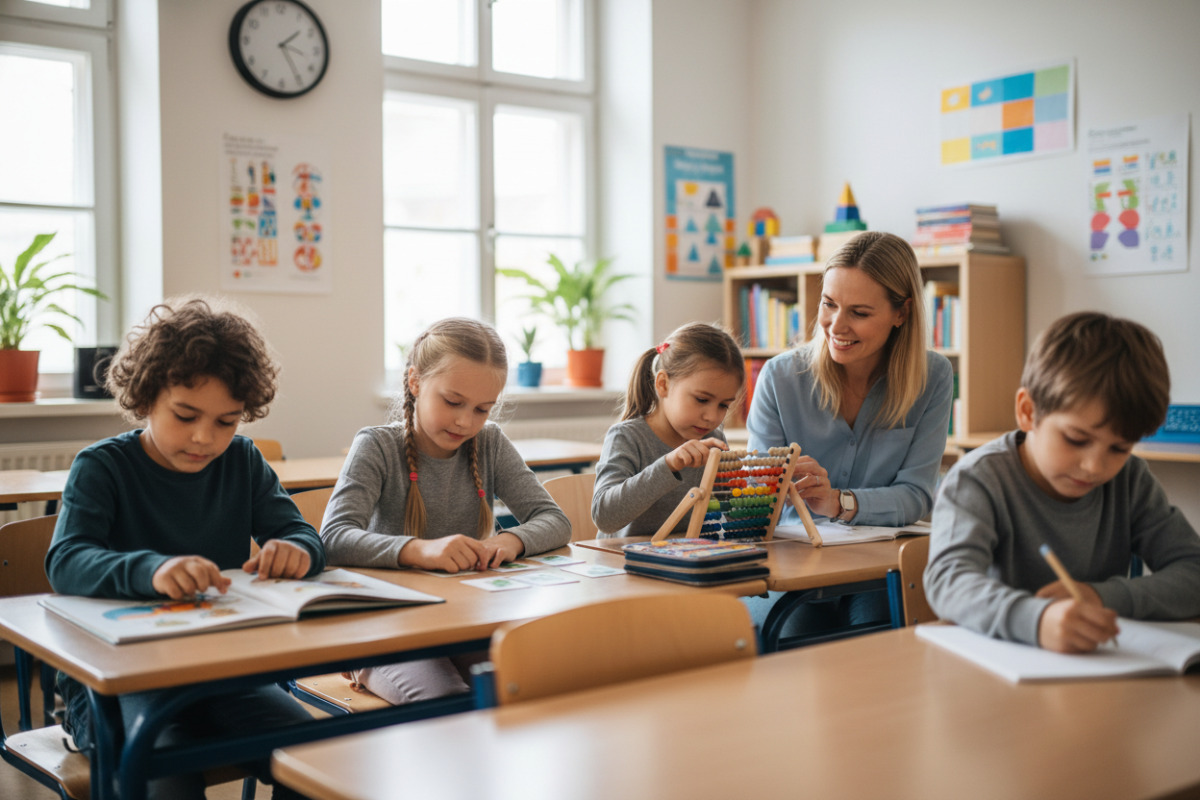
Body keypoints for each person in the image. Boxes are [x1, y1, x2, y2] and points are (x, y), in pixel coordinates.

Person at [45, 297, 325, 800]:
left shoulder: (242, 461)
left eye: (226, 421)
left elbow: (303, 535)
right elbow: (66, 560)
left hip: (220, 670)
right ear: (147, 395)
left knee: (313, 757)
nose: (204, 437)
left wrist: (296, 549)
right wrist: (151, 571)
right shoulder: (102, 467)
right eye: (186, 414)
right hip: (116, 682)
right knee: (165, 771)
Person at [320, 316, 570, 703]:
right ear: (415, 382)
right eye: (453, 402)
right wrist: (419, 550)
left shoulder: (490, 443)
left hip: (464, 619)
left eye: (482, 409)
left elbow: (555, 520)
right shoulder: (376, 447)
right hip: (382, 627)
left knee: (529, 683)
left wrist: (508, 542)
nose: (464, 421)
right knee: (445, 701)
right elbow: (333, 538)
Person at [924, 311, 1200, 653]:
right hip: (1000, 669)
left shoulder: (1130, 480)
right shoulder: (978, 480)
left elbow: (1193, 571)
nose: (1094, 466)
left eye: (1119, 448)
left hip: (1099, 668)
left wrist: (1103, 596)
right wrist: (1037, 620)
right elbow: (948, 582)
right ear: (1028, 411)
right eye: (1075, 439)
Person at [746, 231, 954, 628]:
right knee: (798, 641)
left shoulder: (933, 377)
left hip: (878, 570)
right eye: (829, 304)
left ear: (901, 313)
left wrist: (839, 502)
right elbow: (758, 501)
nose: (836, 326)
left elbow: (916, 496)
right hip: (793, 569)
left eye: (859, 312)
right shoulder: (780, 377)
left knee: (876, 639)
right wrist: (772, 486)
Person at [592, 322, 745, 537]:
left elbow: (732, 516)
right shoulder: (627, 437)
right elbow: (604, 517)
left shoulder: (713, 439)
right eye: (701, 399)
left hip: (686, 559)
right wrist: (668, 465)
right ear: (663, 384)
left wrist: (774, 490)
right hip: (623, 562)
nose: (712, 417)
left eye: (723, 405)